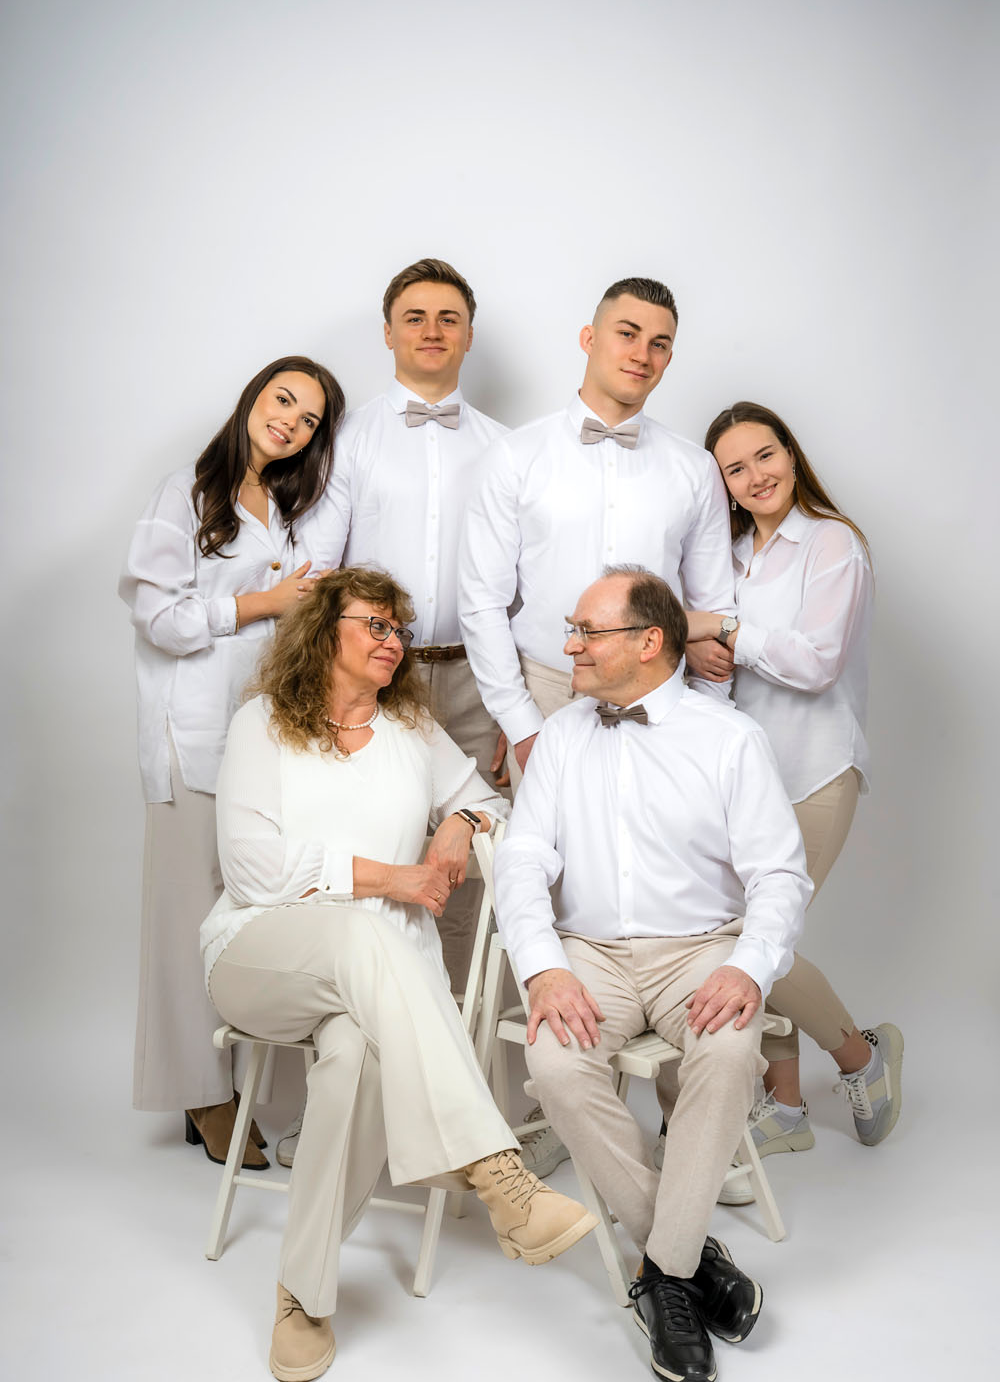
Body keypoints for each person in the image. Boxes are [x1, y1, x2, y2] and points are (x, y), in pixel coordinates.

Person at [201, 566, 597, 1382]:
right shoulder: (260, 725)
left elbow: (497, 805)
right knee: (360, 935)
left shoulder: (411, 728)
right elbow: (251, 871)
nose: (394, 642)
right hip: (260, 953)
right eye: (376, 625)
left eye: (400, 631)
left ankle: (300, 1297)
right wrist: (394, 879)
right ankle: (495, 1173)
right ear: (323, 629)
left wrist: (456, 822)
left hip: (374, 993)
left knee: (358, 1058)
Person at [493, 566, 812, 1382]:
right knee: (555, 1064)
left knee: (730, 1052)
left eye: (586, 632)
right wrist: (543, 969)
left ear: (649, 641)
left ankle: (659, 1279)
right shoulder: (562, 736)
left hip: (701, 949)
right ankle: (687, 1259)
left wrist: (746, 965)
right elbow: (524, 862)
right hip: (588, 953)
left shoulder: (729, 738)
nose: (569, 647)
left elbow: (779, 875)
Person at [119, 356, 345, 1167]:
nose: (290, 420)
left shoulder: (282, 511)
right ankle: (203, 1096)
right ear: (253, 397)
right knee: (187, 917)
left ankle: (252, 1086)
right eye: (283, 400)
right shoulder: (185, 492)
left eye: (310, 418)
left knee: (250, 914)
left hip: (257, 738)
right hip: (189, 737)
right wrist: (262, 602)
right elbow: (160, 618)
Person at [683, 402, 902, 1174]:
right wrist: (704, 645)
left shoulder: (832, 543)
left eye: (764, 455)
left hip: (814, 770)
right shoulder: (730, 553)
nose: (754, 476)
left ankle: (859, 1057)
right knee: (737, 936)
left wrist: (724, 632)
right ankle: (786, 1106)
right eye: (734, 469)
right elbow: (706, 659)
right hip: (740, 781)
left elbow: (815, 663)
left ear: (791, 453)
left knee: (761, 948)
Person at [299, 258, 509, 993]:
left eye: (448, 318)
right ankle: (378, 1041)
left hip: (479, 680)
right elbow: (321, 571)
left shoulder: (504, 447)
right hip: (377, 678)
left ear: (470, 336)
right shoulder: (347, 438)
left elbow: (518, 584)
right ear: (388, 332)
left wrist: (514, 706)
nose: (431, 330)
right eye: (415, 317)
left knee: (473, 858)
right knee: (375, 844)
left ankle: (463, 1052)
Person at [459, 275, 736, 792]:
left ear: (670, 359)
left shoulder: (695, 470)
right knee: (547, 867)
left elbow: (715, 603)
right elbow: (481, 602)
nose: (642, 355)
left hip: (659, 694)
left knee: (654, 868)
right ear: (589, 338)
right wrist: (520, 723)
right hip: (545, 690)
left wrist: (703, 720)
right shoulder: (515, 458)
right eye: (626, 334)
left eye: (659, 344)